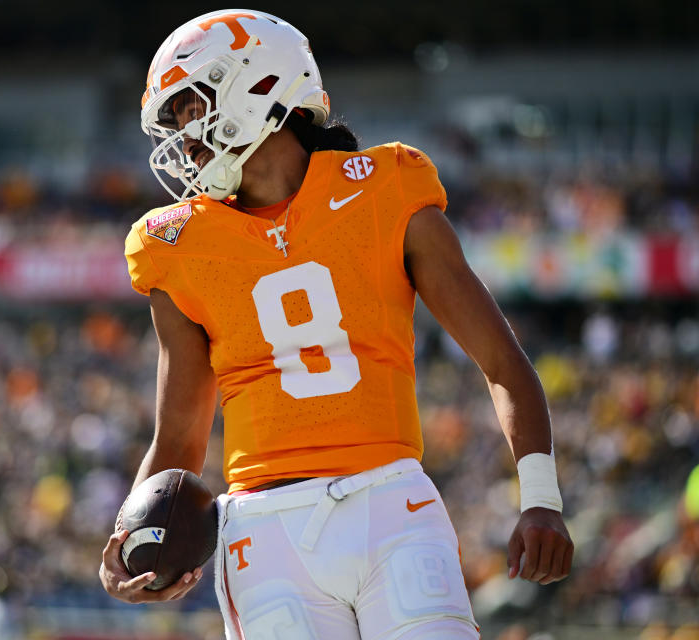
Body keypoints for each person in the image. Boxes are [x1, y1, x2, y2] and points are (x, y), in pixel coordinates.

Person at [100, 9, 573, 639]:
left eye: (192, 107)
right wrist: (131, 532)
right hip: (263, 529)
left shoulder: (386, 188)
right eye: (175, 119)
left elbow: (502, 362)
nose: (184, 135)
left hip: (393, 504)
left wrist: (540, 494)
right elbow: (180, 436)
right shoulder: (175, 244)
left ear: (260, 82)